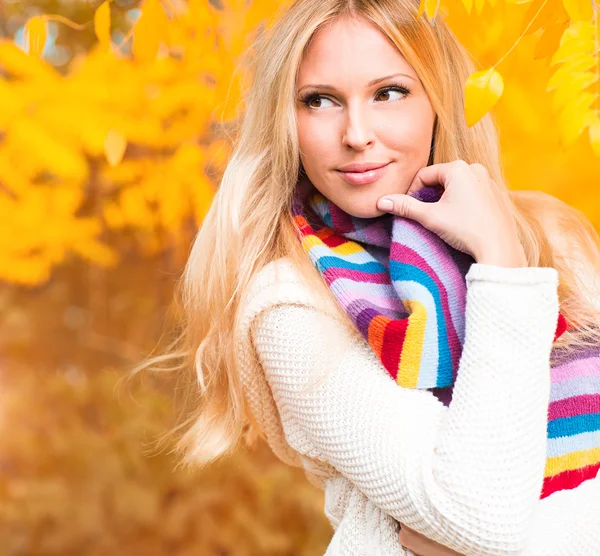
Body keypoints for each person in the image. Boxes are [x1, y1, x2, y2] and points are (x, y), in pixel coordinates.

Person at [144, 0, 600, 553]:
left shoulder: (553, 237)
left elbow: (487, 538)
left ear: (438, 99)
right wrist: (502, 269)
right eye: (320, 101)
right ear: (286, 121)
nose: (356, 133)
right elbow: (482, 514)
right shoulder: (290, 302)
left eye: (388, 92)